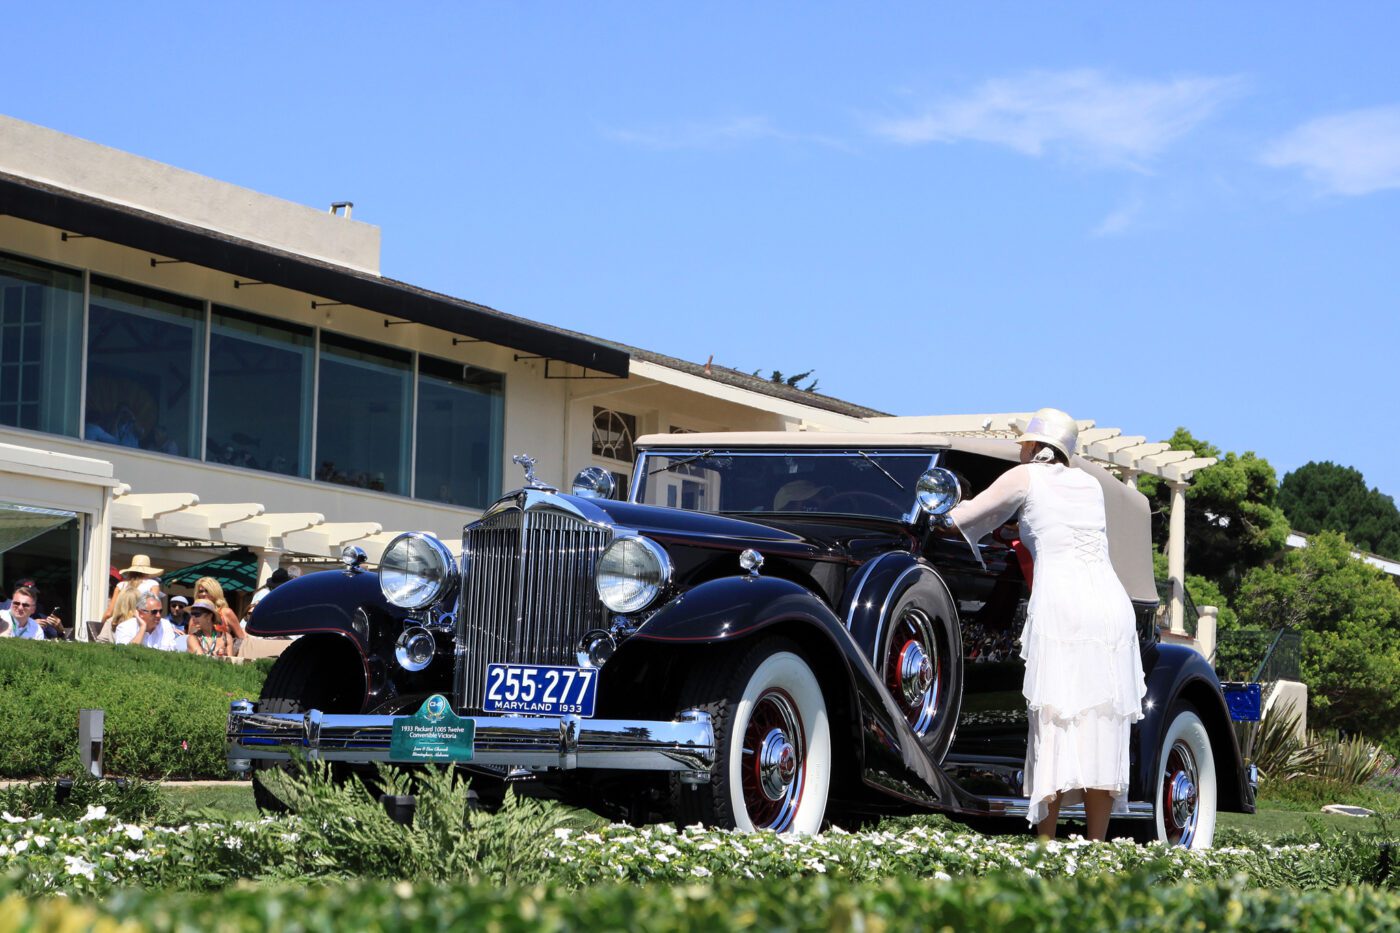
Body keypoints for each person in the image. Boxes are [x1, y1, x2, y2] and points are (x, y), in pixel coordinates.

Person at [945, 407, 1146, 842]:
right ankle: (1095, 844)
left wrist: (942, 506)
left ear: (1037, 446)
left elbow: (962, 520)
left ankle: (1045, 844)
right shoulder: (1089, 484)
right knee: (1101, 723)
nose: (1020, 449)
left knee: (1054, 718)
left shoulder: (1025, 477)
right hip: (1110, 607)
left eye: (1024, 442)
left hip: (1065, 606)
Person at [102, 555, 164, 624]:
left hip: (119, 624)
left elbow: (109, 613)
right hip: (140, 625)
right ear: (147, 571)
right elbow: (153, 610)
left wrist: (102, 626)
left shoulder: (120, 585)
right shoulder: (153, 584)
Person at [114, 593, 182, 650]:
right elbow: (125, 652)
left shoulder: (165, 625)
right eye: (154, 612)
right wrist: (142, 628)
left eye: (160, 611)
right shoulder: (124, 627)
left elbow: (171, 651)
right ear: (140, 612)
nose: (158, 615)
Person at [194, 578, 245, 649]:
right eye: (201, 591)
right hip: (198, 654)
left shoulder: (226, 612)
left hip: (221, 655)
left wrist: (231, 652)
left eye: (207, 591)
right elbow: (190, 636)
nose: (203, 594)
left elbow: (241, 638)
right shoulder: (194, 613)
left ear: (215, 592)